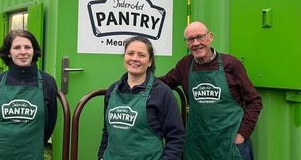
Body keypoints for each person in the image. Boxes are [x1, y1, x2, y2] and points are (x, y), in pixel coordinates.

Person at [160, 21, 262, 160]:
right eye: (190, 39)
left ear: (210, 37)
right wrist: (138, 77)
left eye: (200, 37)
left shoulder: (231, 64)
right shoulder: (185, 64)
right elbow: (163, 83)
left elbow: (254, 101)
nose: (195, 43)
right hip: (198, 147)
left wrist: (242, 134)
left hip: (230, 145)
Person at [0, 30, 58, 160]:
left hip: (29, 154)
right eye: (17, 47)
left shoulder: (48, 82)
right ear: (9, 53)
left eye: (27, 47)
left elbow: (50, 123)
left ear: (34, 51)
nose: (23, 52)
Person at [97, 36, 185, 160]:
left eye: (142, 55)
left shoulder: (162, 92)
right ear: (124, 57)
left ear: (150, 61)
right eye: (130, 53)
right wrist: (101, 156)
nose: (134, 58)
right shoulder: (113, 90)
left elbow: (176, 137)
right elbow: (107, 131)